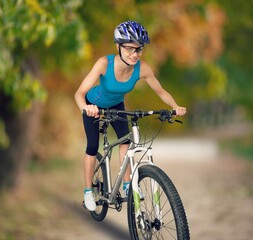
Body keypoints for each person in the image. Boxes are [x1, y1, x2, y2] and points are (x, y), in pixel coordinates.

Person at [74, 20, 187, 211]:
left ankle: (127, 186)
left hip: (117, 105)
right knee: (92, 146)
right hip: (94, 105)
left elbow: (160, 91)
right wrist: (86, 108)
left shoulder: (142, 69)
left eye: (138, 50)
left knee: (125, 142)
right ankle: (87, 191)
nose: (134, 54)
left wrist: (175, 106)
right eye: (129, 49)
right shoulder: (104, 63)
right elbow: (79, 93)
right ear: (118, 46)